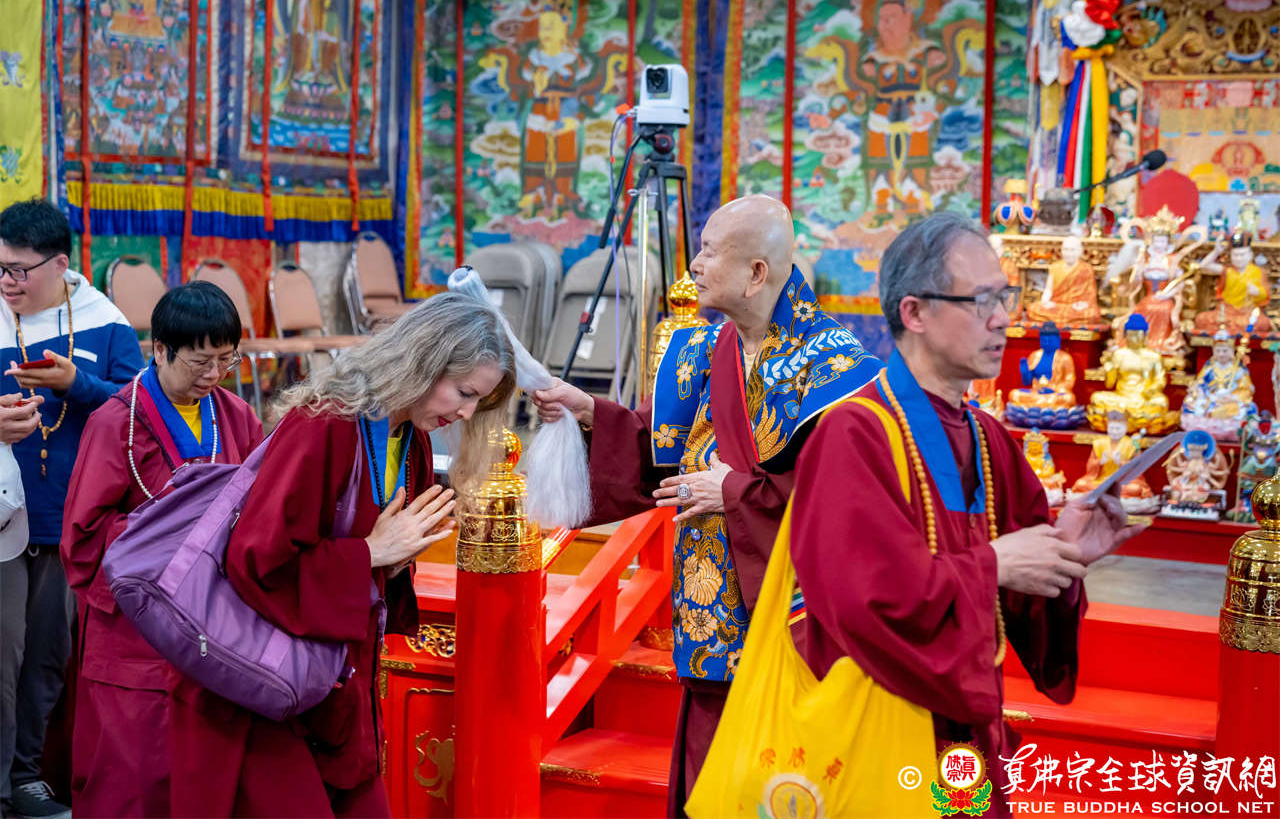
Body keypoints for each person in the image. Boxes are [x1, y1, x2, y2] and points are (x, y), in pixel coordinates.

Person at [788, 212, 1146, 816]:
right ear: (914, 313)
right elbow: (860, 602)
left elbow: (1013, 601)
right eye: (980, 300)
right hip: (882, 738)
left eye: (1004, 296)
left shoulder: (988, 438)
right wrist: (993, 564)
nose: (1003, 318)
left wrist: (1064, 557)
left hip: (967, 745)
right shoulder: (854, 434)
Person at [533, 194, 881, 816]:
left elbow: (847, 501)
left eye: (709, 252)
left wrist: (733, 493)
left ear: (756, 273)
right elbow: (657, 448)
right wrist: (587, 411)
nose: (694, 265)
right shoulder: (699, 350)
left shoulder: (835, 367)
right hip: (710, 616)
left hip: (789, 628)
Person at [179, 292, 514, 817]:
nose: (467, 413)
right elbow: (255, 561)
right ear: (423, 362)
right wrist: (369, 553)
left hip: (340, 684)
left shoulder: (411, 438)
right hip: (275, 691)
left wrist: (392, 560)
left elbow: (372, 556)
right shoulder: (325, 423)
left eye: (479, 402)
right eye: (465, 392)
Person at [61, 281, 263, 816]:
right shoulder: (117, 422)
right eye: (199, 361)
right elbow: (83, 538)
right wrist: (170, 536)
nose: (214, 375)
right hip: (136, 630)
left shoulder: (236, 416)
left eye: (226, 360)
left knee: (203, 773)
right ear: (160, 349)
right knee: (131, 774)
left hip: (213, 624)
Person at [0, 199, 143, 819]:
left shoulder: (103, 322)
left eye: (19, 270)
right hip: (2, 515)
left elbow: (142, 409)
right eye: (0, 268)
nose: (8, 282)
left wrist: (75, 386)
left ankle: (27, 778)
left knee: (47, 656)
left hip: (69, 517)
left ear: (61, 264)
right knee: (1, 657)